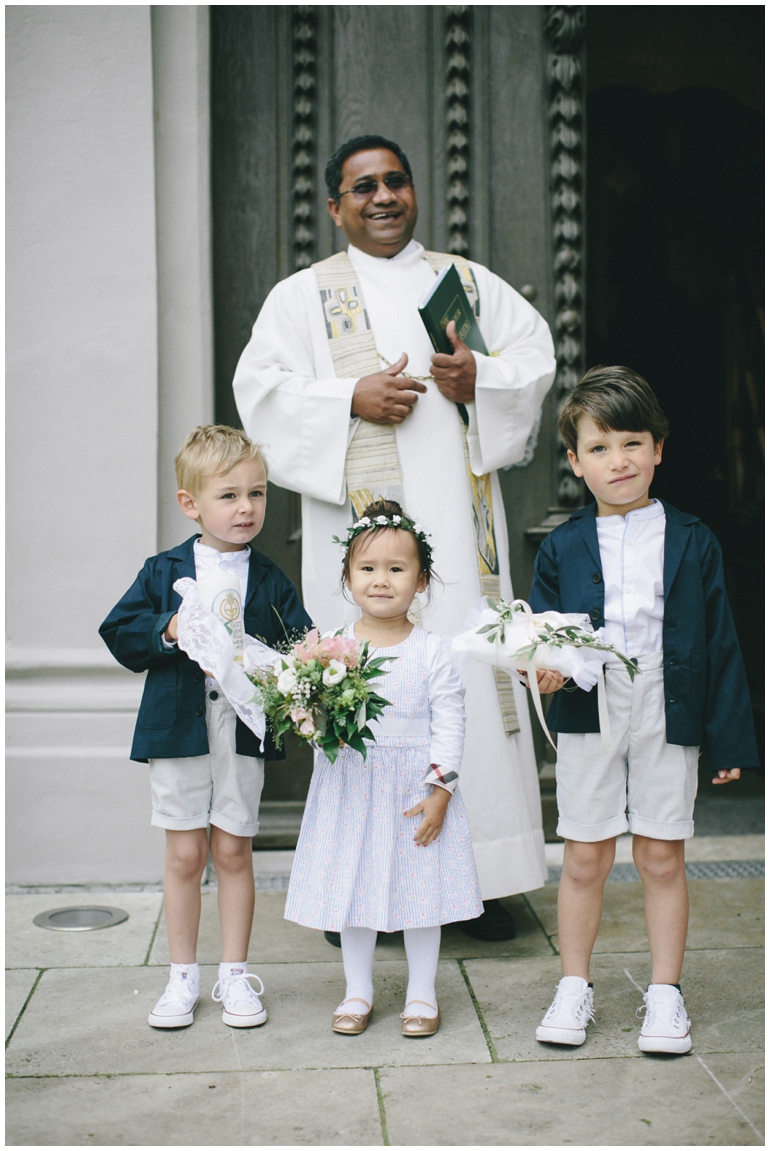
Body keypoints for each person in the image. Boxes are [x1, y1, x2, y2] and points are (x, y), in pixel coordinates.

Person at [233, 134, 556, 941]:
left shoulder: (462, 285)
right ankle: (367, 887)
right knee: (377, 692)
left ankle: (477, 882)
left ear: (414, 193)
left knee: (468, 679)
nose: (382, 196)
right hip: (364, 549)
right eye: (363, 186)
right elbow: (260, 392)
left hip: (456, 528)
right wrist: (351, 396)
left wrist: (480, 379)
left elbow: (534, 359)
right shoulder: (303, 296)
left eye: (395, 181)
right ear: (336, 205)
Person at [528, 366, 759, 1054]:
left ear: (659, 448)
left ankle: (665, 993)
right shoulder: (563, 546)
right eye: (598, 447)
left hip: (669, 697)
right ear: (574, 461)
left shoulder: (694, 539)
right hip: (588, 703)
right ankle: (574, 984)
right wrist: (540, 667)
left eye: (632, 443)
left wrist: (731, 742)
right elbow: (542, 630)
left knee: (662, 852)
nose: (618, 460)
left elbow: (721, 641)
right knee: (584, 853)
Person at [100, 425, 312, 1030]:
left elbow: (300, 641)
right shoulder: (163, 569)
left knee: (232, 847)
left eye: (257, 493)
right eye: (229, 495)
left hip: (242, 730)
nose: (246, 508)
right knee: (186, 852)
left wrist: (310, 667)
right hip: (178, 728)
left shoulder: (270, 577)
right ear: (190, 504)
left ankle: (236, 976)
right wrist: (170, 630)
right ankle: (182, 976)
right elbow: (120, 632)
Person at [284, 500, 483, 1035]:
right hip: (351, 783)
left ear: (421, 582)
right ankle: (357, 989)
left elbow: (450, 723)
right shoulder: (330, 649)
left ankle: (421, 994)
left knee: (421, 891)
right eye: (367, 569)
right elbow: (315, 717)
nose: (381, 580)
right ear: (347, 576)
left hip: (413, 787)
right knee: (354, 886)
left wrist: (440, 788)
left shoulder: (434, 651)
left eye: (397, 569)